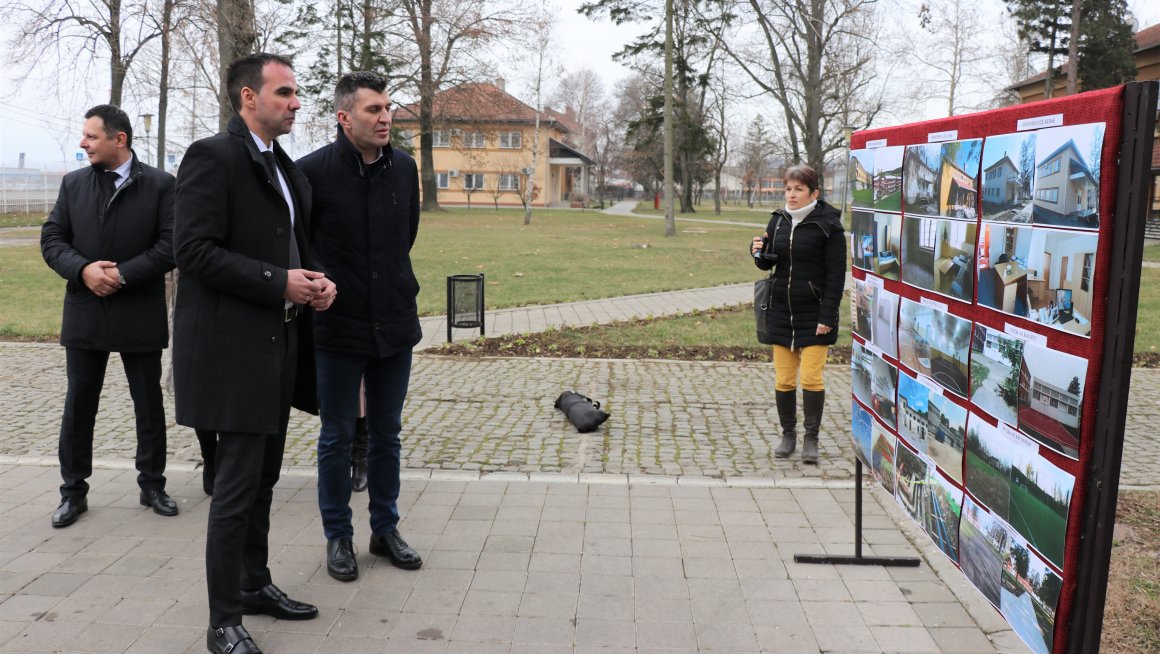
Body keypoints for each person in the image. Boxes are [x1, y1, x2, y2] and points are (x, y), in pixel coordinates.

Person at [172, 53, 336, 654]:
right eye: (285, 92)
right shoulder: (213, 157)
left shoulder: (283, 165)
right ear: (248, 97)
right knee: (236, 489)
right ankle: (222, 622)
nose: (297, 102)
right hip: (231, 354)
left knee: (264, 479)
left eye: (297, 93)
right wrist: (278, 282)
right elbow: (193, 251)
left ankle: (254, 585)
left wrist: (313, 281)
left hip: (280, 345)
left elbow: (288, 246)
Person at [296, 71, 423, 582]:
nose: (386, 117)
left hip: (394, 322)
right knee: (336, 435)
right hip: (338, 326)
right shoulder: (311, 173)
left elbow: (404, 238)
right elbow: (302, 245)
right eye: (374, 109)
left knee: (387, 434)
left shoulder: (405, 169)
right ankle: (338, 537)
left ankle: (385, 529)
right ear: (345, 117)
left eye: (388, 107)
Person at [41, 104, 178, 528]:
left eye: (91, 137)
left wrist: (120, 275)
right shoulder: (74, 184)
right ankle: (72, 492)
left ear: (119, 139)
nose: (83, 143)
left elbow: (172, 244)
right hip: (85, 308)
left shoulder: (161, 185)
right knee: (79, 403)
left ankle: (152, 484)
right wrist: (83, 270)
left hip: (138, 308)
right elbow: (52, 238)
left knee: (147, 402)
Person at [750, 164, 845, 464]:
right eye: (788, 189)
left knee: (811, 377)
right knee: (784, 379)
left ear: (813, 193)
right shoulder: (778, 221)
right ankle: (788, 435)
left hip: (814, 313)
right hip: (781, 311)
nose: (791, 195)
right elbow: (768, 264)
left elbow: (837, 277)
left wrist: (827, 317)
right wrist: (756, 252)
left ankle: (811, 439)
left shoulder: (829, 226)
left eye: (798, 189)